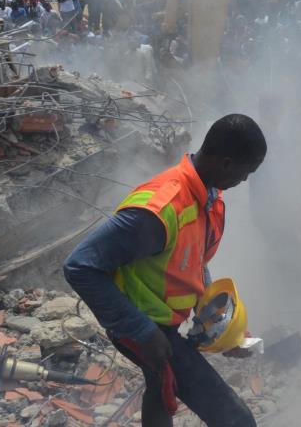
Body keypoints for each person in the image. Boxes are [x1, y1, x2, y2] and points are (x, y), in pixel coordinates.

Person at [64, 114, 266, 427]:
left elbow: (192, 262)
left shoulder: (208, 196)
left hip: (160, 321)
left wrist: (221, 327)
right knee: (235, 419)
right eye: (246, 172)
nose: (245, 181)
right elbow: (80, 266)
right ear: (227, 162)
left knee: (161, 386)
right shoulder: (160, 209)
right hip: (142, 324)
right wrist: (142, 331)